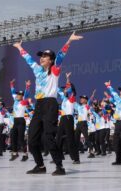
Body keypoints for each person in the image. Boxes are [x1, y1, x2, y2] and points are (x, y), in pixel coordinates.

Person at [13, 32, 82, 175]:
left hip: (50, 104)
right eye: (41, 56)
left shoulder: (55, 71)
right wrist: (20, 47)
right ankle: (40, 166)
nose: (41, 58)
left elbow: (61, 56)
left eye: (45, 56)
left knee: (49, 137)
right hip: (39, 105)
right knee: (31, 139)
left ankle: (59, 166)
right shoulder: (38, 70)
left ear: (51, 60)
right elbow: (28, 59)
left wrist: (69, 41)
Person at [56, 73, 80, 164]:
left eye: (66, 89)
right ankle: (58, 156)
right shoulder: (64, 99)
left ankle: (76, 158)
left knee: (70, 139)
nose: (64, 90)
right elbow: (58, 90)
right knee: (58, 138)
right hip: (62, 119)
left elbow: (69, 88)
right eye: (64, 89)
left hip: (69, 119)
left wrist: (68, 78)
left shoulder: (72, 98)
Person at [10, 79, 31, 161]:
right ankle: (15, 153)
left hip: (21, 121)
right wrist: (11, 84)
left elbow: (27, 93)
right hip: (15, 121)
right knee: (13, 137)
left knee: (21, 139)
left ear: (22, 96)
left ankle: (25, 154)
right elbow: (12, 91)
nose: (18, 96)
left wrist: (28, 86)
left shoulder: (23, 102)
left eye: (20, 95)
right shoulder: (15, 99)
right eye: (18, 94)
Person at [75, 91, 95, 158]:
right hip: (78, 124)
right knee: (76, 138)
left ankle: (91, 151)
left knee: (86, 138)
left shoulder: (86, 106)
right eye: (80, 98)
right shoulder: (78, 106)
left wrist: (92, 94)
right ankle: (76, 151)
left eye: (82, 98)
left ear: (85, 100)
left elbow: (90, 100)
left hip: (83, 123)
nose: (81, 99)